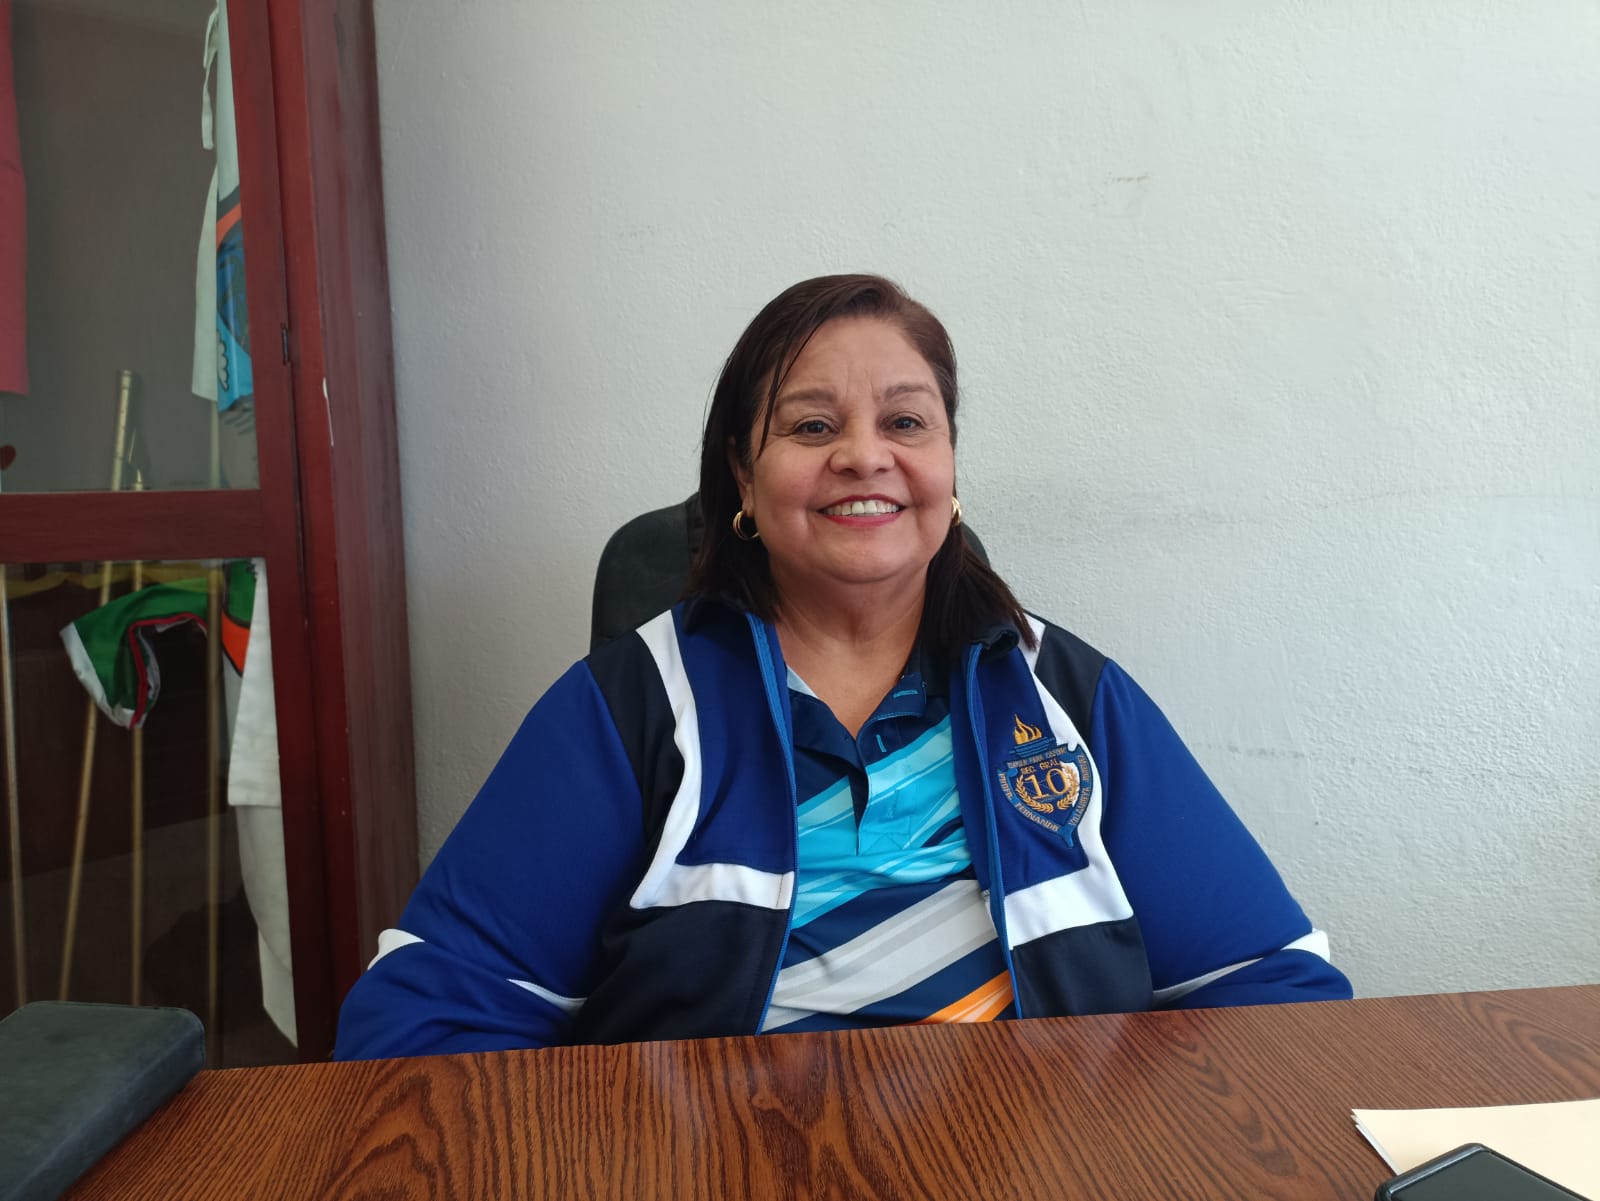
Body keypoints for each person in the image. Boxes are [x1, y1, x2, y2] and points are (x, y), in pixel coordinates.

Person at [334, 274, 1351, 1059]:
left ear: (949, 468)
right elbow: (424, 1018)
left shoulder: (1066, 696)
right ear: (743, 476)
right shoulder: (631, 708)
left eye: (905, 422)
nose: (865, 455)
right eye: (812, 425)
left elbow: (1272, 985)